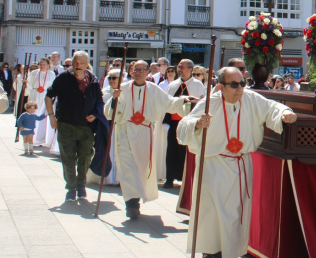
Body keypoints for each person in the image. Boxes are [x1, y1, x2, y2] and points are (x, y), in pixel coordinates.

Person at [178, 67, 297, 257]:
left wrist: (284, 113)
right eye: (234, 85)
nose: (240, 89)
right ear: (220, 87)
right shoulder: (209, 103)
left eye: (242, 83)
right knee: (212, 217)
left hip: (240, 166)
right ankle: (211, 253)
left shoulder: (250, 98)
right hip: (213, 167)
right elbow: (183, 127)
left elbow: (272, 107)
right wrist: (198, 124)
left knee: (235, 217)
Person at [106, 60, 191, 219]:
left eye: (141, 70)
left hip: (144, 132)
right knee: (127, 167)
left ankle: (135, 198)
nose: (138, 72)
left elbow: (169, 103)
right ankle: (131, 204)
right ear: (131, 72)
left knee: (141, 168)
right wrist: (114, 99)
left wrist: (184, 101)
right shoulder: (122, 89)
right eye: (135, 70)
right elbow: (110, 112)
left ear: (147, 72)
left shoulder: (153, 89)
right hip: (125, 130)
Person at [44, 51, 103, 201]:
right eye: (76, 63)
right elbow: (49, 96)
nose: (78, 66)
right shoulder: (64, 78)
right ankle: (71, 187)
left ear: (87, 64)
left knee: (85, 157)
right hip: (66, 124)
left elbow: (99, 100)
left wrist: (96, 114)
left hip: (86, 126)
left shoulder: (93, 79)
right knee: (68, 158)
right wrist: (51, 117)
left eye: (82, 63)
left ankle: (81, 185)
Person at [163, 60, 206, 189]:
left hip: (189, 123)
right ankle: (169, 177)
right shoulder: (173, 85)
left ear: (190, 69)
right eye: (179, 67)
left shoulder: (198, 85)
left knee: (187, 151)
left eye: (182, 67)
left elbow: (201, 103)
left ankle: (186, 178)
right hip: (174, 123)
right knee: (171, 150)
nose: (179, 69)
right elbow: (167, 102)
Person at [28, 58, 56, 147]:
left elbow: (53, 86)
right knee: (35, 116)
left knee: (45, 117)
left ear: (48, 65)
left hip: (46, 96)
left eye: (44, 64)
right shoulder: (34, 73)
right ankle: (34, 138)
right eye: (41, 64)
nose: (42, 66)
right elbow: (29, 84)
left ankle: (45, 139)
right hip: (36, 96)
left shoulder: (51, 74)